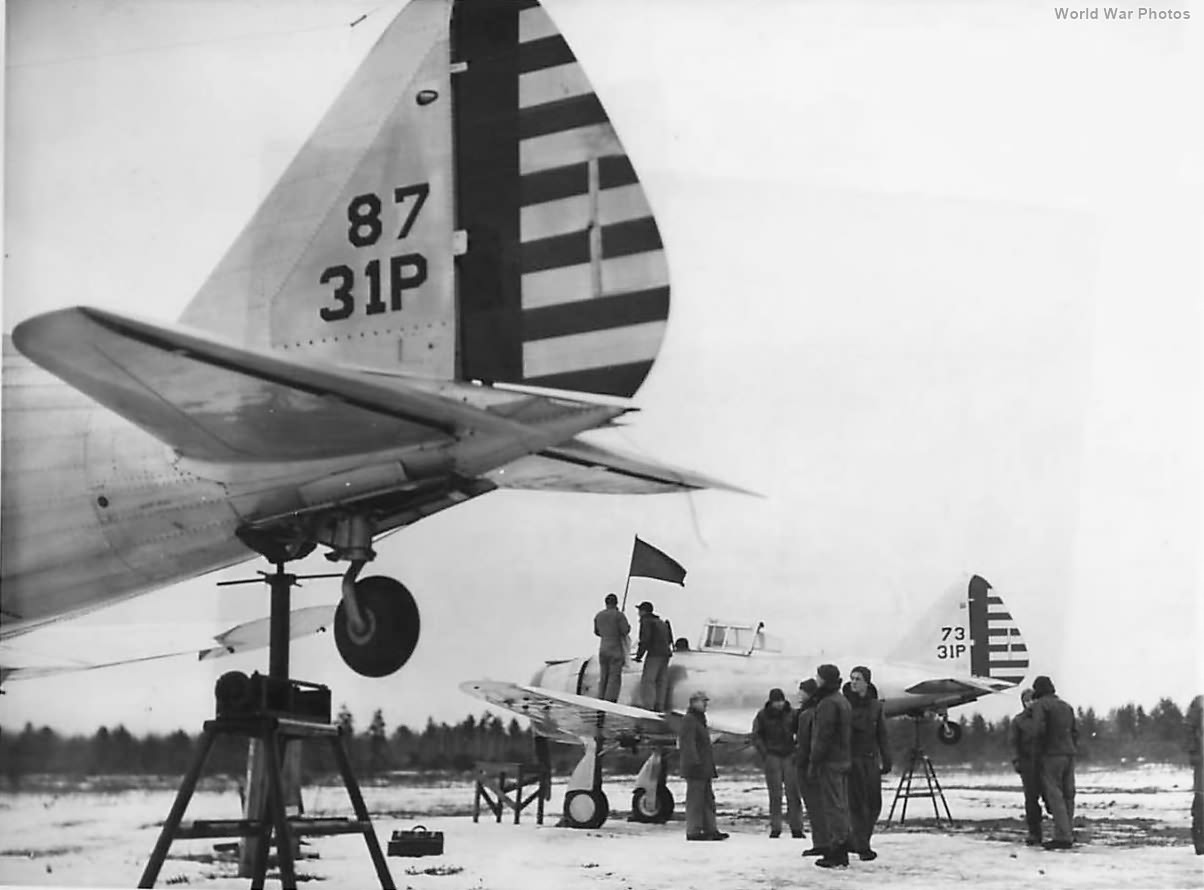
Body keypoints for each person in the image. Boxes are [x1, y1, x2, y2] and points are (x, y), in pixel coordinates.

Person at [844, 665, 891, 860]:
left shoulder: (876, 706)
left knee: (873, 804)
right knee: (856, 805)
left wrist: (887, 759)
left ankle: (861, 840)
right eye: (852, 678)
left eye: (858, 679)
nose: (853, 682)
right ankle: (862, 846)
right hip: (851, 761)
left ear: (867, 682)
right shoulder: (845, 704)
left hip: (870, 760)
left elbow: (882, 734)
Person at [808, 663, 852, 868]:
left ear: (824, 679)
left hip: (830, 761)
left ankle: (838, 851)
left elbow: (822, 736)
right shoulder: (842, 700)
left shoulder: (827, 703)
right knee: (840, 804)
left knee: (833, 806)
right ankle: (841, 845)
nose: (816, 681)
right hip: (842, 759)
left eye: (818, 677)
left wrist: (814, 760)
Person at [1029, 675, 1078, 849]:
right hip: (1069, 754)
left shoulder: (1040, 706)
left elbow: (1037, 731)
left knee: (1054, 795)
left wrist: (1037, 754)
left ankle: (1063, 837)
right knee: (1068, 795)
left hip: (1051, 755)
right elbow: (1074, 731)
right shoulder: (1066, 706)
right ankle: (1067, 833)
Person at [752, 687, 805, 838]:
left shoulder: (792, 714)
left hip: (789, 755)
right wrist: (765, 753)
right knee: (775, 795)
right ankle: (776, 827)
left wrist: (796, 748)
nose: (779, 705)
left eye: (781, 701)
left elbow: (800, 732)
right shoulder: (762, 715)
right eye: (776, 702)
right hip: (772, 756)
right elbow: (756, 735)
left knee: (793, 793)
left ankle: (796, 827)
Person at [678, 689, 728, 841]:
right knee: (695, 800)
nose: (706, 704)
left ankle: (710, 829)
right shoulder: (689, 720)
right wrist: (694, 763)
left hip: (704, 766)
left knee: (707, 799)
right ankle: (694, 830)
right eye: (703, 701)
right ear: (694, 702)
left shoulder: (699, 719)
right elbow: (688, 744)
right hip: (696, 767)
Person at [795, 678, 827, 856]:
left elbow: (808, 742)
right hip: (811, 763)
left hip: (808, 764)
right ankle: (822, 841)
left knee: (816, 807)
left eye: (802, 691)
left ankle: (822, 842)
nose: (799, 695)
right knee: (816, 806)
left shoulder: (809, 714)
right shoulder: (812, 711)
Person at [1009, 688, 1045, 846]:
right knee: (1031, 799)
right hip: (1028, 763)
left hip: (1045, 762)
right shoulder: (1018, 721)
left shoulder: (1044, 718)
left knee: (1052, 797)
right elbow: (1013, 743)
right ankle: (1035, 833)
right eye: (1027, 700)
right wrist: (1016, 761)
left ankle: (1062, 831)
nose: (1031, 703)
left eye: (1033, 699)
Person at [633, 601, 673, 710]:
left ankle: (648, 706)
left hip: (654, 654)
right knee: (661, 681)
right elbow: (669, 639)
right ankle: (659, 706)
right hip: (666, 654)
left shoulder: (646, 621)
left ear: (644, 611)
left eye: (639, 610)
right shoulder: (661, 622)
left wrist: (639, 656)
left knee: (648, 681)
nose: (638, 613)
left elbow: (645, 639)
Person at [592, 593, 630, 703]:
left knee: (604, 676)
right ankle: (610, 700)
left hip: (603, 648)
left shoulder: (599, 615)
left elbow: (597, 632)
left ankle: (601, 697)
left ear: (606, 603)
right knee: (614, 676)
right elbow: (625, 631)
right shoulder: (619, 615)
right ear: (616, 603)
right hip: (615, 648)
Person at [1186, 694, 1203, 855]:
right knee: (1201, 804)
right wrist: (1194, 754)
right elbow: (1190, 731)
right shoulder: (1199, 703)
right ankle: (1201, 844)